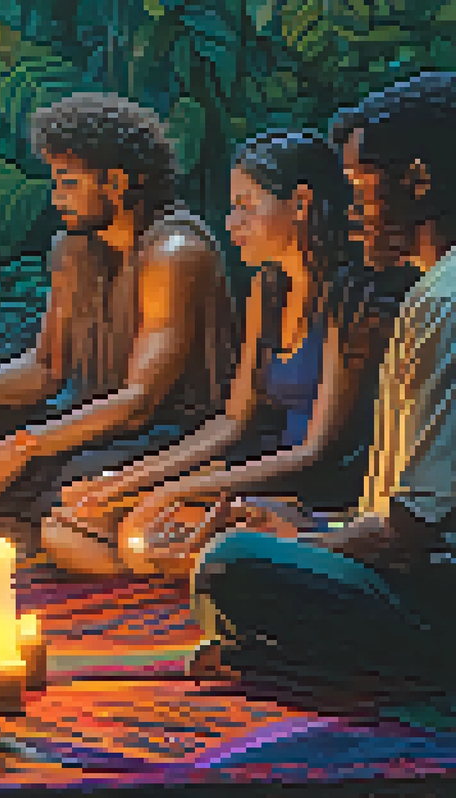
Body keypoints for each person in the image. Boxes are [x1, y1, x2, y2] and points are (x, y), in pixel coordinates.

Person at [184, 73, 456, 714]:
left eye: (362, 188)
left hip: (436, 593)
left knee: (231, 565)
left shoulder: (444, 303)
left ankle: (404, 671)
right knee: (243, 549)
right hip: (409, 563)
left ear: (417, 181)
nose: (354, 209)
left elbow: (413, 536)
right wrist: (314, 530)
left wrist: (297, 547)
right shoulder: (430, 292)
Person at [44, 130, 420, 577]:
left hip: (319, 488)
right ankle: (205, 570)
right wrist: (127, 481)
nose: (230, 222)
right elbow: (232, 420)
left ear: (299, 204)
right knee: (66, 525)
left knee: (140, 531)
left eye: (246, 206)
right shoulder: (268, 288)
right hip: (263, 470)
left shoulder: (346, 299)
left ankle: (230, 571)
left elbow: (314, 451)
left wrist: (172, 492)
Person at [0, 93, 236, 534]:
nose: (57, 199)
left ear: (115, 182)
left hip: (169, 434)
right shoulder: (74, 247)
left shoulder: (173, 252)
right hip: (91, 420)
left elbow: (139, 403)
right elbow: (47, 366)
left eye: (68, 183)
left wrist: (23, 448)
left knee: (65, 485)